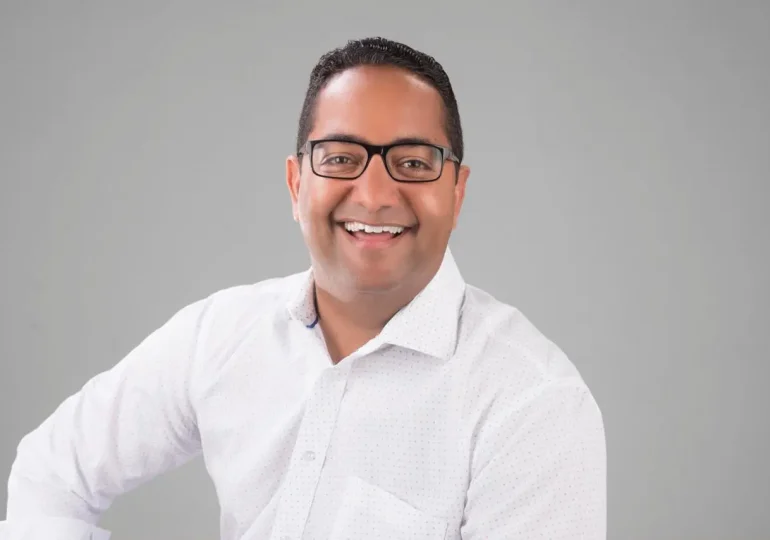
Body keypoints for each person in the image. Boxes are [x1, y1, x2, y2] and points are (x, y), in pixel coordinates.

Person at [2, 37, 606, 540]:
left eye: (414, 162)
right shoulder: (220, 335)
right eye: (341, 158)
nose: (375, 195)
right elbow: (50, 475)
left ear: (457, 191)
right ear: (296, 186)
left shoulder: (531, 403)